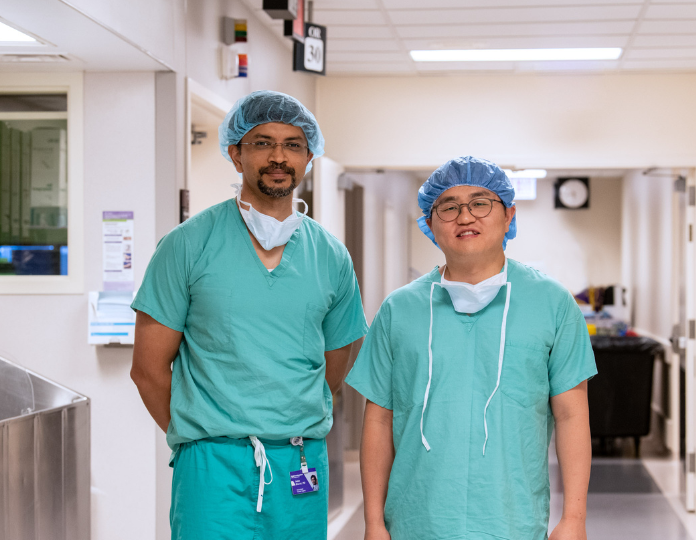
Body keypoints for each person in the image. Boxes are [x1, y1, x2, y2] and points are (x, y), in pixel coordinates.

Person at [130, 90, 368, 540]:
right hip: (211, 464)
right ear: (236, 154)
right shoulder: (187, 245)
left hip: (299, 461)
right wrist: (204, 434)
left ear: (308, 157)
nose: (279, 156)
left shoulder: (330, 256)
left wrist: (286, 415)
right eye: (262, 143)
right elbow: (147, 370)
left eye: (293, 144)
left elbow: (334, 364)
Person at [345, 156, 597, 540]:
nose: (465, 217)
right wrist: (374, 522)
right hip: (416, 521)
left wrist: (574, 518)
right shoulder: (399, 309)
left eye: (480, 203)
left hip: (512, 522)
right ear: (430, 224)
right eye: (448, 207)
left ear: (509, 215)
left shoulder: (552, 303)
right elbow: (379, 419)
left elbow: (571, 415)